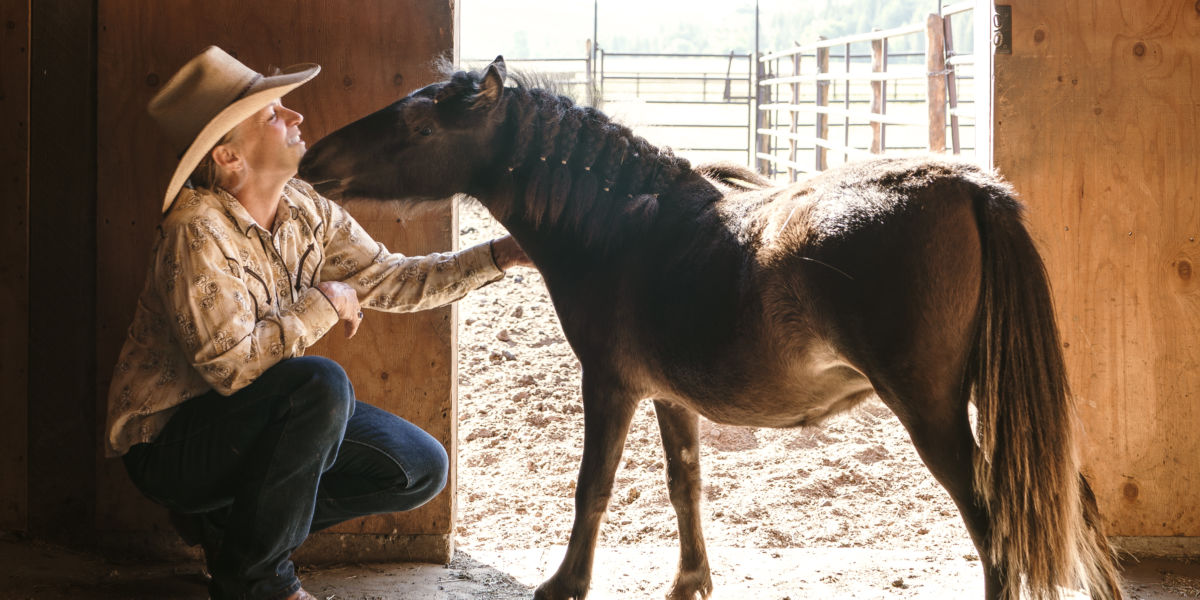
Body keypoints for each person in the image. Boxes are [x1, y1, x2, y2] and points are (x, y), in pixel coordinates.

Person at [103, 46, 530, 600]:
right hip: (172, 443)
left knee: (419, 468)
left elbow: (392, 278)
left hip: (256, 420)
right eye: (273, 113)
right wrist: (325, 301)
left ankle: (232, 534)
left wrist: (502, 254)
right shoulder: (196, 229)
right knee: (320, 384)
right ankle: (258, 583)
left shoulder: (307, 208)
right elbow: (231, 370)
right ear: (230, 156)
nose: (296, 117)